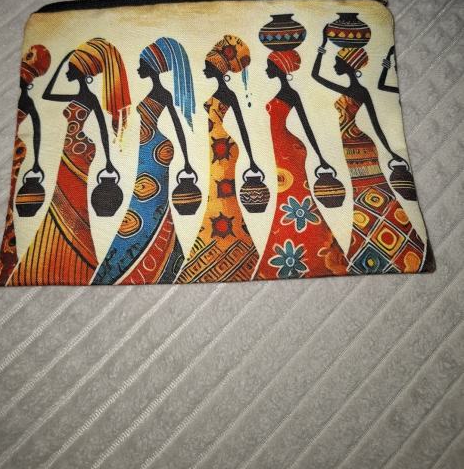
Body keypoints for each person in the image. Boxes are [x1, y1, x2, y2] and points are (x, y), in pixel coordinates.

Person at [9, 38, 130, 285]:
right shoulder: (76, 94)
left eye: (70, 67)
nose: (66, 72)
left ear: (82, 71)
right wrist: (67, 57)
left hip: (79, 150)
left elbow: (103, 128)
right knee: (61, 198)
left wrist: (108, 160)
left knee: (73, 200)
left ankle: (78, 255)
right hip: (70, 149)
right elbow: (48, 93)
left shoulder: (90, 98)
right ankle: (61, 252)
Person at [312, 40, 425, 274]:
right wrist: (321, 46)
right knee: (364, 192)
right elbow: (316, 76)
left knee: (371, 191)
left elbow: (375, 123)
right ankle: (375, 238)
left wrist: (390, 151)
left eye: (338, 61)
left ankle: (389, 240)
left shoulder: (358, 91)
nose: (335, 65)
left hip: (359, 145)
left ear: (349, 65)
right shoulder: (353, 90)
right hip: (350, 145)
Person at [93, 37, 196, 285]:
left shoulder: (162, 93)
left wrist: (187, 160)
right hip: (148, 147)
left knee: (149, 198)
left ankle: (150, 253)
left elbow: (178, 125)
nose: (138, 68)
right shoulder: (154, 92)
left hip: (155, 149)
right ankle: (166, 254)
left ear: (151, 66)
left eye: (141, 63)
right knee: (147, 197)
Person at [255, 50, 348, 279]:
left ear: (279, 67)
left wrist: (321, 157)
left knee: (293, 195)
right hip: (279, 148)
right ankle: (293, 242)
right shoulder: (279, 91)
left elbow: (306, 125)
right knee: (286, 195)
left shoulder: (290, 93)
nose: (266, 69)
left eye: (269, 65)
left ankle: (312, 246)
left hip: (288, 150)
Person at [177, 35, 261, 283]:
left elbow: (242, 125)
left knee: (222, 192)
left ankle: (231, 243)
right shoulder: (218, 92)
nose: (204, 69)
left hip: (224, 147)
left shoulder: (227, 94)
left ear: (218, 68)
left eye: (207, 65)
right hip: (216, 146)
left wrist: (252, 159)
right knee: (218, 192)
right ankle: (230, 243)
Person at [0, 44, 51, 286]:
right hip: (23, 153)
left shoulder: (27, 100)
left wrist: (37, 161)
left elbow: (37, 129)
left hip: (25, 155)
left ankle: (13, 263)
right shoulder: (26, 98)